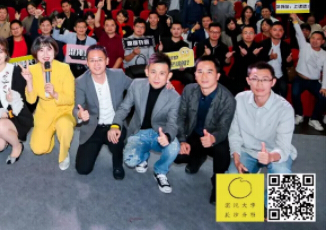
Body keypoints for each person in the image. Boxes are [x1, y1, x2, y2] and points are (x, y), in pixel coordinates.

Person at [227, 62, 297, 209]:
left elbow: (283, 146)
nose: (259, 84)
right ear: (248, 81)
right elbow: (234, 134)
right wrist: (237, 160)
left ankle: (265, 198)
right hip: (247, 150)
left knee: (282, 176)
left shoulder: (285, 108)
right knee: (232, 183)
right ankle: (253, 175)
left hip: (274, 152)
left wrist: (270, 157)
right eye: (255, 79)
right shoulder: (239, 99)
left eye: (265, 79)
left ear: (273, 82)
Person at [110, 53, 181, 193]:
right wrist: (115, 125)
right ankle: (143, 156)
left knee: (174, 147)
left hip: (159, 134)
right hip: (139, 132)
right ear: (147, 71)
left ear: (169, 76)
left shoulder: (174, 97)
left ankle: (160, 171)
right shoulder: (137, 85)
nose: (157, 77)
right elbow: (124, 108)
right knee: (130, 161)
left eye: (162, 73)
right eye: (153, 72)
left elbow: (173, 123)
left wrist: (167, 136)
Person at [175, 56, 235, 204]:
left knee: (223, 154)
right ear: (195, 75)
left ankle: (218, 185)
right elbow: (180, 116)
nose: (204, 76)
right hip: (194, 133)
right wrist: (182, 140)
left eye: (209, 72)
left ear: (218, 76)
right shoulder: (189, 90)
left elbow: (224, 128)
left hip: (216, 137)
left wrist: (213, 138)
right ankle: (197, 157)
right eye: (200, 71)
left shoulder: (228, 99)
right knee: (175, 154)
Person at [74, 45, 132, 179]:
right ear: (87, 63)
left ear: (107, 61)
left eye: (100, 59)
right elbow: (76, 107)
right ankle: (95, 148)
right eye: (92, 60)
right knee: (82, 169)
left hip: (114, 124)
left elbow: (137, 87)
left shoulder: (118, 75)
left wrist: (162, 84)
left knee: (116, 140)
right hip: (93, 126)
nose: (96, 64)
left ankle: (117, 163)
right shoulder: (81, 81)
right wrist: (80, 114)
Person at [22, 36, 75, 170]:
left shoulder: (64, 68)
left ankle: (64, 153)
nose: (45, 54)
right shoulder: (32, 70)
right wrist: (29, 81)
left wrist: (55, 94)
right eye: (41, 50)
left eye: (49, 49)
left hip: (63, 110)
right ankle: (49, 136)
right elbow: (31, 100)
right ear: (35, 53)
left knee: (64, 127)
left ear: (55, 51)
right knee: (38, 149)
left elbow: (70, 98)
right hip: (44, 112)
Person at [0, 39, 33, 164]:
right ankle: (7, 137)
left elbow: (25, 99)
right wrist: (0, 112)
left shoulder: (15, 71)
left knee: (0, 126)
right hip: (0, 116)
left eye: (1, 51)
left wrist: (28, 83)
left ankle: (17, 145)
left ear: (6, 53)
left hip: (18, 117)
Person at [290, 14, 326, 131]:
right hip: (299, 78)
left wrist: (324, 87)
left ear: (323, 41)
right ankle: (299, 115)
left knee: (323, 97)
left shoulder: (325, 55)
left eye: (318, 39)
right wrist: (295, 20)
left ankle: (314, 119)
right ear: (309, 39)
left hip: (314, 81)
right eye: (313, 38)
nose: (315, 41)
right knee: (295, 93)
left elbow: (326, 72)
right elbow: (299, 33)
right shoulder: (304, 46)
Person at [258, 22, 292, 98]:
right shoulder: (263, 44)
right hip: (266, 75)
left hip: (281, 75)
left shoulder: (286, 46)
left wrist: (288, 61)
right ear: (270, 31)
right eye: (275, 30)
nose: (277, 32)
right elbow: (258, 61)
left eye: (280, 30)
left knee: (283, 94)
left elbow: (289, 64)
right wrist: (269, 57)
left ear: (283, 32)